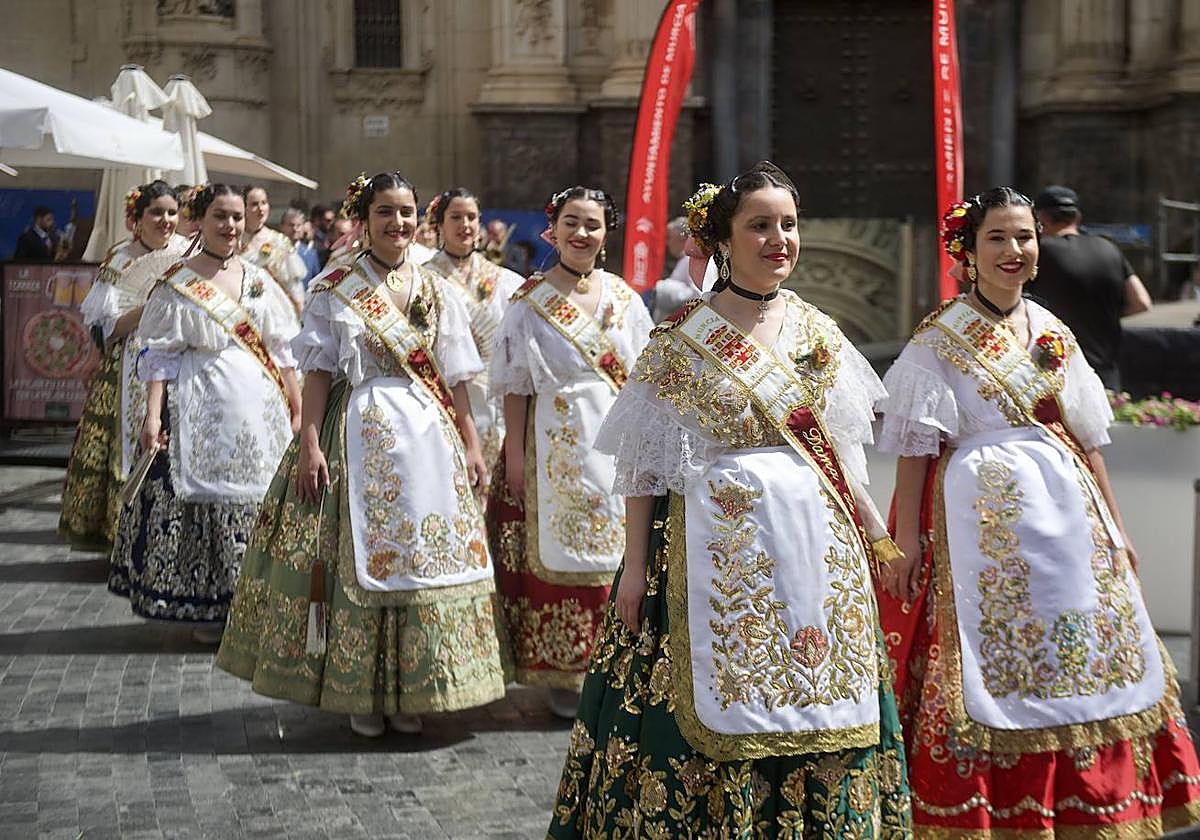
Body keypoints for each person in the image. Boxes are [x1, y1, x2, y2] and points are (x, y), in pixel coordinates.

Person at [546, 163, 913, 838]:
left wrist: (875, 534)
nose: (780, 239)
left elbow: (841, 456)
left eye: (789, 224)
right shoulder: (682, 340)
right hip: (709, 554)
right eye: (760, 225)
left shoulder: (818, 331)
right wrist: (634, 569)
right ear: (722, 240)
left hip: (813, 556)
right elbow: (644, 468)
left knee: (818, 688)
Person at [876, 187, 1200, 838]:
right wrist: (905, 538)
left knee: (1078, 656)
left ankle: (1089, 801)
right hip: (978, 528)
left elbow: (1086, 437)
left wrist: (1117, 529)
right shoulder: (938, 339)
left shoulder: (1052, 331)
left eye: (1024, 236)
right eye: (996, 237)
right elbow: (916, 447)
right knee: (992, 665)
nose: (1013, 249)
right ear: (968, 252)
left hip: (1068, 521)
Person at [215, 172, 507, 738]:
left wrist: (472, 443)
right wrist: (309, 444)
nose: (398, 223)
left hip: (428, 439)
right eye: (385, 212)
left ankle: (411, 687)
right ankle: (361, 690)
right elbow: (318, 372)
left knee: (421, 557)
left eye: (406, 211)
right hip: (355, 433)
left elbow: (457, 375)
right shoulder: (334, 286)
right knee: (354, 559)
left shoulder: (435, 288)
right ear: (364, 219)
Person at [107, 183, 301, 643]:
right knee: (201, 498)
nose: (230, 225)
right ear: (200, 220)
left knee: (260, 495)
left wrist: (296, 404)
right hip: (198, 402)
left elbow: (281, 349)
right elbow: (159, 356)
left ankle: (255, 605)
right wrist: (153, 417)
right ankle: (211, 606)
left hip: (259, 406)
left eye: (236, 217)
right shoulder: (178, 281)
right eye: (220, 216)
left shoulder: (259, 279)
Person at [487, 186, 653, 718]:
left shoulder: (625, 298)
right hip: (551, 440)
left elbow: (645, 380)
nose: (582, 233)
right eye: (572, 222)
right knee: (561, 546)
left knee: (618, 547)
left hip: (614, 438)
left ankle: (616, 663)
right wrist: (515, 456)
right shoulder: (528, 303)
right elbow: (516, 386)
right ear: (552, 230)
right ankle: (562, 668)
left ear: (607, 233)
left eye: (593, 224)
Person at [60, 181, 191, 553]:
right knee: (134, 442)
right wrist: (151, 305)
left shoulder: (188, 253)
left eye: (172, 212)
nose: (165, 220)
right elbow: (108, 328)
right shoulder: (120, 259)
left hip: (183, 360)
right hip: (130, 363)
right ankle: (127, 534)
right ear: (138, 217)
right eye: (156, 212)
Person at [422, 188, 524, 472]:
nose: (465, 224)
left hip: (495, 394)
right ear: (439, 224)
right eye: (455, 217)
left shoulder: (504, 281)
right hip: (445, 392)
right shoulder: (424, 279)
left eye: (471, 217)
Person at [1031, 185, 1151, 391]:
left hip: (1057, 377)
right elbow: (1142, 302)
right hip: (1105, 377)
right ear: (1077, 217)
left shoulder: (1039, 253)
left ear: (1040, 219)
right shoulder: (1109, 249)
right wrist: (1104, 313)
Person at [240, 186, 308, 320]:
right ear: (244, 207)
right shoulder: (233, 239)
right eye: (254, 204)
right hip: (241, 310)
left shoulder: (280, 241)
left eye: (264, 203)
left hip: (274, 312)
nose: (260, 209)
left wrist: (300, 313)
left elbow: (293, 286)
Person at [651, 215, 701, 322]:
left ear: (682, 239)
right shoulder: (684, 260)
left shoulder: (691, 260)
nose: (667, 243)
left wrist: (664, 289)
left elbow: (697, 294)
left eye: (669, 237)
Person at [281, 206, 321, 286]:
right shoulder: (274, 250)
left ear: (303, 227)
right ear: (282, 226)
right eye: (291, 225)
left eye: (298, 225)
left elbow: (316, 283)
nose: (295, 229)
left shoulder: (311, 254)